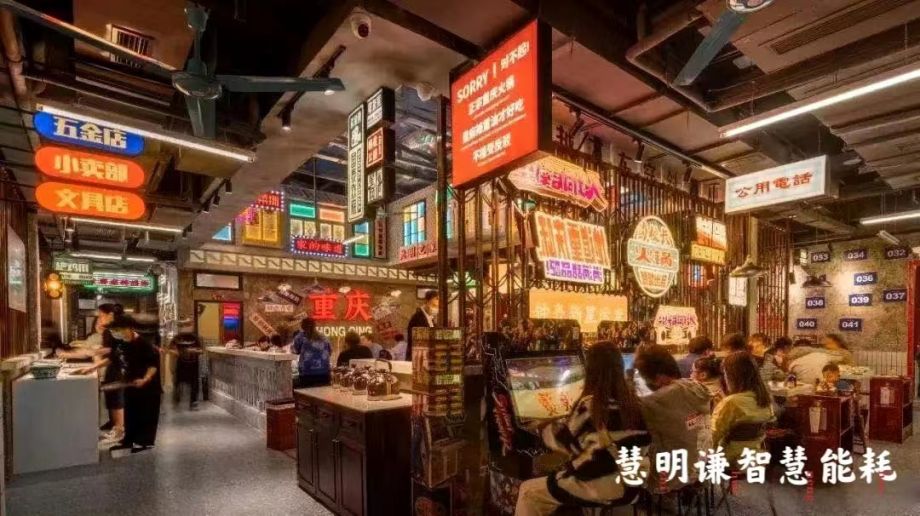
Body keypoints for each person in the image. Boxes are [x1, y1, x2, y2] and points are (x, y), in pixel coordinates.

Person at [514, 342, 649, 516]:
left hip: (600, 487)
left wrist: (540, 427)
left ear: (590, 370)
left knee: (528, 491)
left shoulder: (591, 405)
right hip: (632, 487)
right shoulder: (636, 404)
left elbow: (563, 442)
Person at [634, 345, 712, 492]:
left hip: (669, 478)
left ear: (658, 378)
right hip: (703, 465)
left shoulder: (653, 402)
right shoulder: (697, 388)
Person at [107, 315, 161, 453]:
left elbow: (153, 365)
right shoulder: (122, 343)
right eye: (114, 331)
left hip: (148, 386)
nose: (116, 333)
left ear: (129, 328)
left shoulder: (144, 344)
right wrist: (92, 367)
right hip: (131, 384)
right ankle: (128, 440)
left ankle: (144, 443)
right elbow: (113, 359)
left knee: (145, 413)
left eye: (118, 330)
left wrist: (145, 379)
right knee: (130, 412)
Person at [711, 352, 774, 466]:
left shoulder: (731, 402)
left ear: (732, 376)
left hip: (730, 456)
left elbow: (712, 436)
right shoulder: (765, 398)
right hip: (756, 452)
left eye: (725, 374)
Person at [75, 304, 125, 440]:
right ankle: (115, 425)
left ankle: (119, 429)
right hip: (113, 367)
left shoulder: (116, 330)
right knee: (112, 398)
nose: (99, 319)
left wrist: (93, 364)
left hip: (119, 368)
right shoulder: (110, 331)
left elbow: (114, 354)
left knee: (116, 399)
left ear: (110, 315)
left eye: (101, 316)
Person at [167, 321, 202, 409]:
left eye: (188, 325)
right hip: (181, 363)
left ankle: (193, 402)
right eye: (185, 325)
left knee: (194, 383)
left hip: (193, 364)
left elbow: (201, 350)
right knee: (177, 382)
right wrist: (175, 352)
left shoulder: (195, 338)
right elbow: (169, 349)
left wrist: (194, 351)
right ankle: (176, 398)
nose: (187, 327)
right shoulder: (177, 337)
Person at [292, 318, 332, 387]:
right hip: (324, 373)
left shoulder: (300, 337)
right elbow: (330, 352)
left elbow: (296, 351)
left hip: (307, 373)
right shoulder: (324, 337)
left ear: (302, 326)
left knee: (306, 393)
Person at [406, 290, 438, 361]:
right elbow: (420, 340)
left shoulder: (431, 319)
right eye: (433, 306)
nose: (435, 309)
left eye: (437, 307)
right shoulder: (418, 318)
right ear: (426, 301)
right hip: (418, 359)